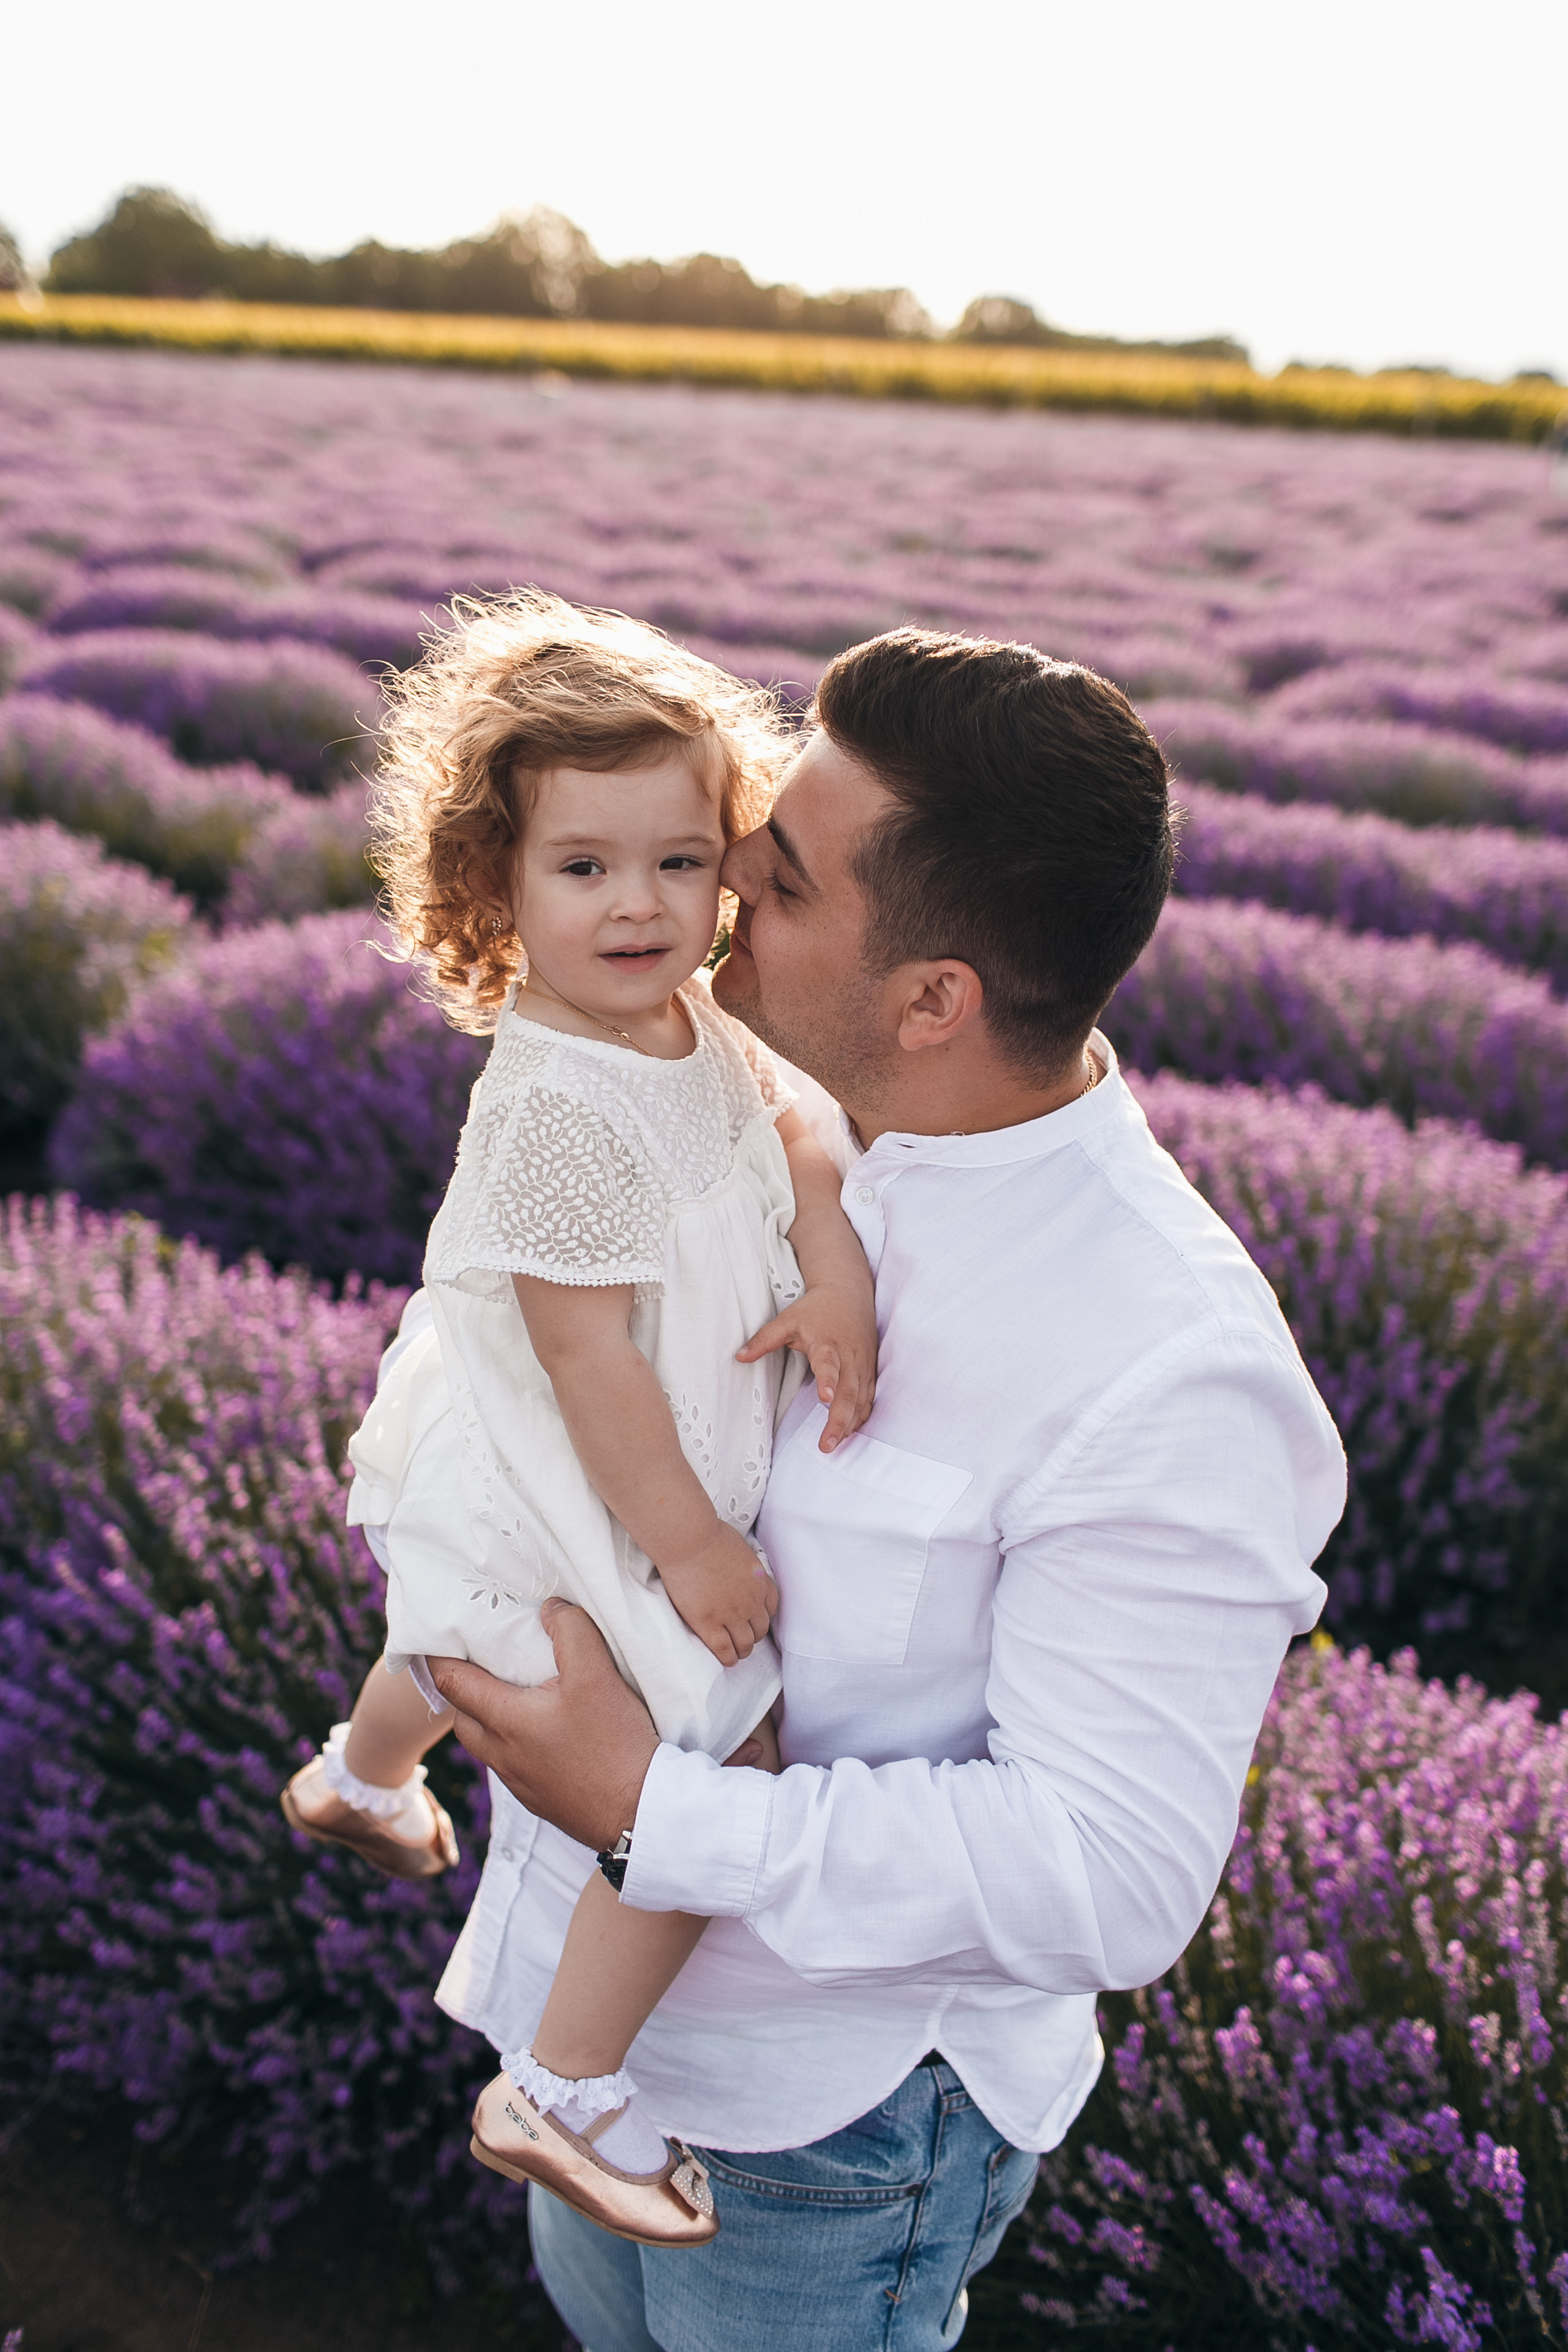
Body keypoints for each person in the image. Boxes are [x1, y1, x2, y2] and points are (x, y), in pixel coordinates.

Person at [427, 624, 1349, 2352]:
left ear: (935, 1001)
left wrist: (660, 1810)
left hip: (828, 2128)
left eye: (767, 883)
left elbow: (1110, 1875)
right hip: (587, 2025)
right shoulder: (736, 1096)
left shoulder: (1168, 1361)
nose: (707, 910)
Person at [279, 590, 878, 2246]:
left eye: (681, 863)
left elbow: (801, 1129)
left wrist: (825, 1256)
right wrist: (689, 1551)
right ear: (495, 886)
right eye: (584, 868)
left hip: (552, 1444)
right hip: (591, 1454)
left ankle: (361, 1775)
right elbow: (593, 1367)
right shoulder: (556, 1106)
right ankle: (563, 2086)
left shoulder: (688, 1016)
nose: (641, 906)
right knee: (722, 1752)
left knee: (456, 1609)